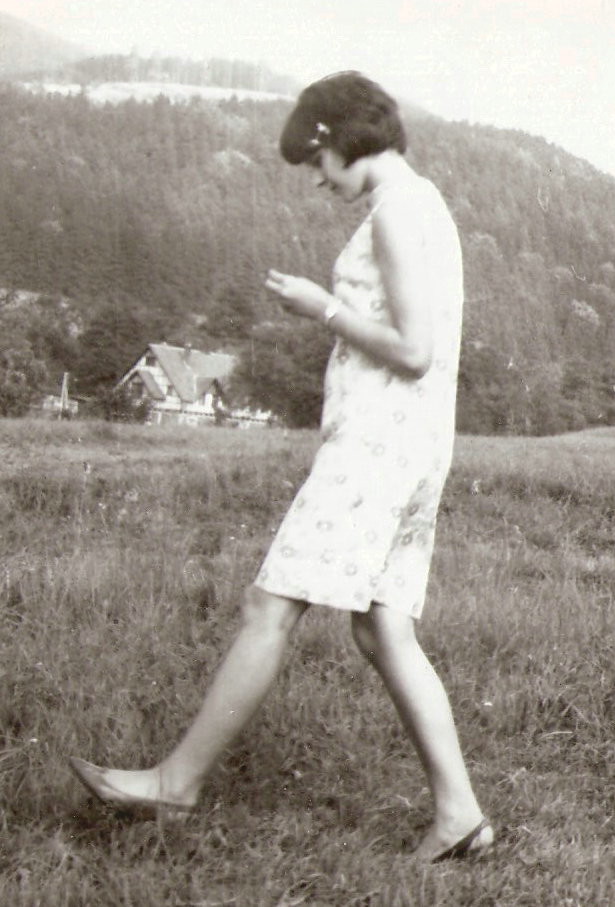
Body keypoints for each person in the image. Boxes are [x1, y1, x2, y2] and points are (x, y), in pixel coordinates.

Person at [70, 71, 493, 863]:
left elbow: (414, 349)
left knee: (269, 604)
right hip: (412, 447)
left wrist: (319, 306)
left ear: (340, 138)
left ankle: (175, 782)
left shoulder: (396, 210)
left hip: (374, 449)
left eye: (316, 161)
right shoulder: (424, 203)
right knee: (382, 626)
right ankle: (459, 813)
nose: (317, 180)